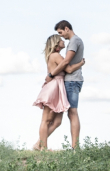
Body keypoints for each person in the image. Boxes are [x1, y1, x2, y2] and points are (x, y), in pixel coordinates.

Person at [32, 34, 85, 150]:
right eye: (60, 40)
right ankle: (43, 148)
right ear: (56, 43)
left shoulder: (55, 55)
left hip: (58, 87)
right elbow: (69, 69)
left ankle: (39, 144)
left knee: (57, 121)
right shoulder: (56, 56)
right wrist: (81, 63)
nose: (63, 41)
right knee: (46, 120)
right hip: (54, 87)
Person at [44, 20, 84, 149]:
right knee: (58, 118)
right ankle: (39, 143)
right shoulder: (73, 42)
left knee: (72, 113)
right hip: (70, 81)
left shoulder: (74, 41)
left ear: (67, 28)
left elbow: (66, 62)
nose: (61, 36)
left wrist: (51, 75)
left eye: (61, 32)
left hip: (71, 81)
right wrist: (80, 64)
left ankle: (75, 148)